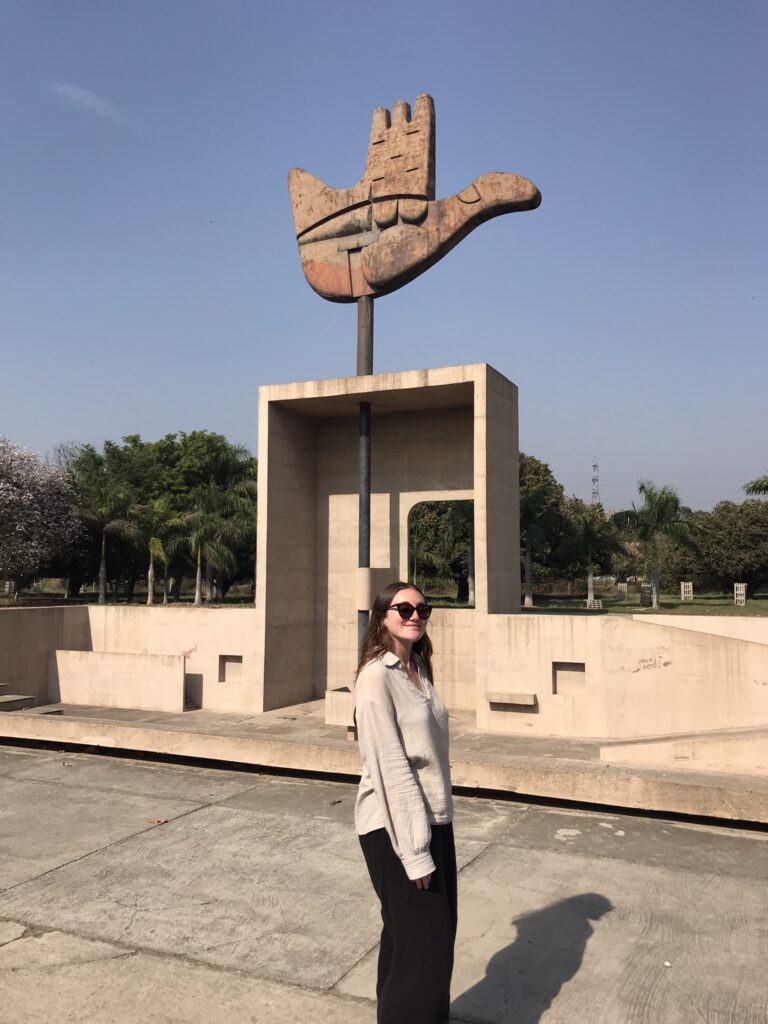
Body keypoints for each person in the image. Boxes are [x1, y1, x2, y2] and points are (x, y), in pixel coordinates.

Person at [354, 580, 457, 1024]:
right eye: (403, 608)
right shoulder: (377, 677)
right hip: (396, 828)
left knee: (412, 944)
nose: (415, 615)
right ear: (382, 616)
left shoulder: (417, 670)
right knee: (425, 955)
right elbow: (392, 767)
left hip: (434, 819)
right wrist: (415, 853)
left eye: (422, 608)